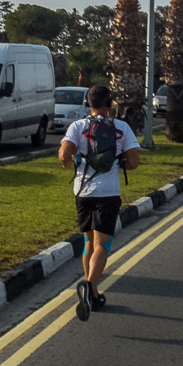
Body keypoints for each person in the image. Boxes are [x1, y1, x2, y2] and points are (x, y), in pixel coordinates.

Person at [59, 84, 140, 321]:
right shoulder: (121, 127)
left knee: (88, 242)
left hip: (83, 192)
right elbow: (134, 163)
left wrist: (69, 164)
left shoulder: (78, 126)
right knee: (102, 245)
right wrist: (117, 163)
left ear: (89, 103)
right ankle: (89, 285)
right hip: (108, 192)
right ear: (110, 103)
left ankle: (92, 293)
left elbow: (64, 155)